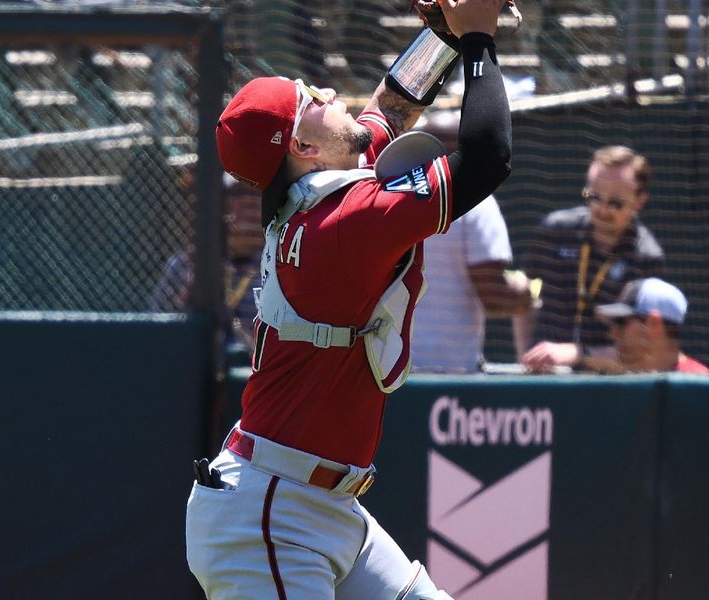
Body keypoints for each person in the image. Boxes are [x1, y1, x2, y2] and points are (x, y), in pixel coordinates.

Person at [185, 0, 514, 598]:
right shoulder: (341, 223)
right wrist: (478, 38)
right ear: (304, 149)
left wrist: (441, 32)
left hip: (317, 503)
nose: (333, 93)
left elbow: (391, 103)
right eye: (314, 98)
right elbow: (488, 156)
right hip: (272, 519)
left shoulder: (320, 191)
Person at [515, 144, 666, 373]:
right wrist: (526, 353)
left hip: (609, 387)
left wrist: (577, 353)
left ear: (639, 200)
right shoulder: (556, 230)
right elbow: (522, 292)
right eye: (594, 197)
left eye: (616, 203)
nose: (602, 210)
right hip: (544, 379)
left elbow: (644, 351)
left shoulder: (646, 257)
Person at [411, 110, 539, 373]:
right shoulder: (477, 204)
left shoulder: (387, 197)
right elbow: (494, 296)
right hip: (448, 375)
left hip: (385, 373)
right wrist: (529, 290)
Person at [149, 176, 263, 353]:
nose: (248, 201)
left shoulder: (284, 266)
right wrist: (187, 307)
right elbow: (157, 335)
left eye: (257, 194)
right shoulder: (186, 264)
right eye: (237, 193)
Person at [595, 277, 709, 374]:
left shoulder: (697, 385)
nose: (612, 333)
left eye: (622, 322)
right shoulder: (628, 383)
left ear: (654, 324)